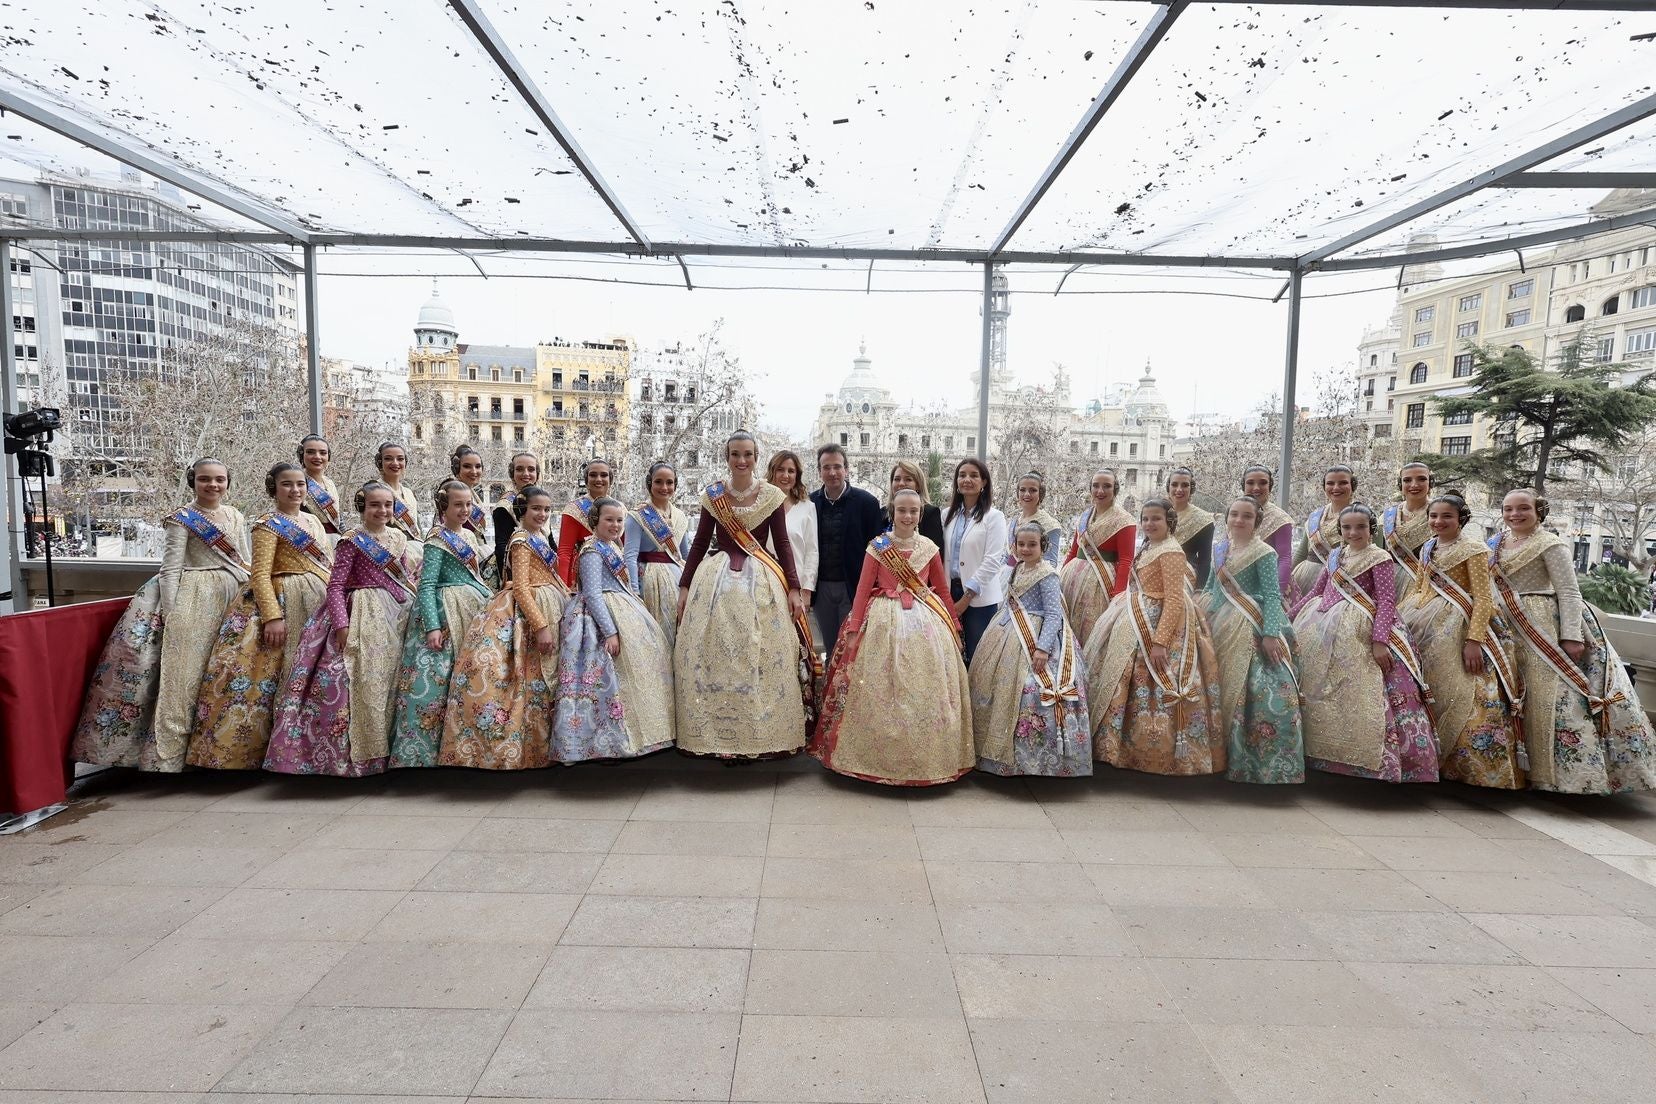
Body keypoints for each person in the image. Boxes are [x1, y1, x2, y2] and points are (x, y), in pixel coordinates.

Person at [73, 458, 249, 772]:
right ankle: (171, 755)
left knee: (225, 670)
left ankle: (215, 748)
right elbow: (170, 570)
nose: (213, 485)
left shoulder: (235, 515)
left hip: (231, 593)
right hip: (194, 596)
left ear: (228, 482)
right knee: (184, 674)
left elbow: (245, 562)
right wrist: (172, 611)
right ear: (193, 481)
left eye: (219, 479)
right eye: (205, 479)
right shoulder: (182, 518)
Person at [1491, 489, 1656, 794]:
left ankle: (1557, 777)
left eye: (1523, 508)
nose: (1515, 514)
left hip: (1543, 627)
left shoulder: (1551, 544)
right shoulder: (1497, 543)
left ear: (1539, 510)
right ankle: (1519, 769)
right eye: (1508, 508)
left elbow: (1569, 592)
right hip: (1505, 627)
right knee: (1513, 696)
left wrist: (1571, 635)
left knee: (1549, 697)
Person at [811, 488, 974, 785]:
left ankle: (925, 758)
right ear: (892, 512)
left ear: (920, 515)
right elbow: (862, 590)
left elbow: (941, 589)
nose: (908, 516)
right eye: (902, 510)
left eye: (913, 511)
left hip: (924, 623)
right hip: (881, 622)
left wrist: (954, 625)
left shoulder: (929, 548)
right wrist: (854, 627)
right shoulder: (878, 546)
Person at [675, 431, 813, 759]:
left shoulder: (771, 495)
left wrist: (793, 588)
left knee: (761, 653)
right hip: (715, 581)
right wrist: (684, 585)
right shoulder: (713, 496)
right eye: (735, 454)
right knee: (716, 654)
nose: (741, 460)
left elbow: (781, 544)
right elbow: (698, 543)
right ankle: (719, 737)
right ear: (727, 457)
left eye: (748, 454)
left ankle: (760, 735)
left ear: (756, 457)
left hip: (761, 580)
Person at [264, 481, 416, 777]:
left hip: (394, 614)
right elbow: (335, 585)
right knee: (358, 682)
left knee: (391, 681)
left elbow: (404, 577)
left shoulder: (398, 538)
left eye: (387, 505)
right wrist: (342, 625)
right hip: (359, 612)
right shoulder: (350, 540)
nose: (382, 510)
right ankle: (356, 759)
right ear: (362, 507)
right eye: (375, 504)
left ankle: (390, 752)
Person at [188, 462, 332, 769]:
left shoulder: (313, 522)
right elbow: (260, 574)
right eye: (287, 485)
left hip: (315, 601)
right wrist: (271, 616)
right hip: (281, 601)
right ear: (274, 488)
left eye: (300, 485)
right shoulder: (267, 523)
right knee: (264, 677)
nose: (295, 490)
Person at [1291, 504, 1438, 782]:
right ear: (1340, 530)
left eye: (1360, 527)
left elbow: (1386, 602)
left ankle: (1368, 761)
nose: (1353, 532)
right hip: (1320, 627)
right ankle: (1320, 753)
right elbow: (1317, 591)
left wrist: (1380, 640)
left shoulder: (1379, 557)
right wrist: (1289, 618)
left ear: (1371, 529)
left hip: (1362, 630)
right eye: (1347, 527)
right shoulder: (1335, 555)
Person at [1083, 497, 1223, 776]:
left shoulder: (1170, 551)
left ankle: (1159, 754)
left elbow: (1173, 600)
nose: (1149, 524)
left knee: (1151, 685)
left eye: (1156, 518)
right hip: (1137, 614)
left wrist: (1160, 641)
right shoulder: (1150, 546)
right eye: (1145, 519)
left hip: (1162, 626)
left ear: (1169, 521)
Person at [1403, 492, 1526, 789]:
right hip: (1426, 623)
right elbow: (1419, 588)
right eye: (1434, 516)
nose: (1438, 521)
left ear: (1461, 519)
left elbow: (1483, 597)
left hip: (1462, 626)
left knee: (1464, 690)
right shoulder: (1428, 547)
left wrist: (1474, 640)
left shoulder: (1474, 549)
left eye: (1446, 516)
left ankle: (1470, 768)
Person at [441, 485, 566, 770]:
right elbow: (521, 588)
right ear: (523, 509)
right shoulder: (521, 540)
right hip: (529, 614)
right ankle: (523, 750)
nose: (542, 514)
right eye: (536, 508)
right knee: (526, 680)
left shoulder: (540, 537)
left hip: (549, 603)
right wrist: (541, 626)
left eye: (547, 509)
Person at [553, 497, 677, 762]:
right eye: (609, 519)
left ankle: (645, 733)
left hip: (623, 608)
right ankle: (608, 741)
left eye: (619, 520)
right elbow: (593, 595)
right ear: (595, 521)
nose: (616, 525)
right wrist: (610, 631)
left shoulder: (612, 547)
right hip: (600, 619)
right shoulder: (593, 551)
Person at [971, 520, 1092, 777]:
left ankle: (1036, 761)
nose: (1025, 549)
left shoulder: (1047, 574)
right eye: (1021, 544)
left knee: (1029, 690)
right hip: (1007, 633)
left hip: (1037, 639)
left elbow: (1053, 613)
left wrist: (1043, 648)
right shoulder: (1017, 570)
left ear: (1043, 546)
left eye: (1032, 545)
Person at [388, 480, 493, 768]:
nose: (464, 509)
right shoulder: (436, 539)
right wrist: (433, 626)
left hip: (471, 608)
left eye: (468, 504)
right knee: (437, 680)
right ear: (443, 507)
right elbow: (427, 584)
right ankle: (427, 753)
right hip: (445, 611)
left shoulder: (470, 537)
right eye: (458, 505)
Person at [1204, 497, 1304, 784]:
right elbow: (1212, 589)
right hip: (1219, 623)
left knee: (1254, 691)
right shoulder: (1219, 549)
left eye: (1246, 516)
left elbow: (1273, 595)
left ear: (1257, 522)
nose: (1238, 520)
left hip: (1251, 625)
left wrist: (1271, 633)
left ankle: (1250, 765)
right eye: (1234, 514)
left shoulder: (1265, 552)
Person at [808, 444, 884, 654]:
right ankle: (832, 687)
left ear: (846, 469)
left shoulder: (867, 503)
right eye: (826, 467)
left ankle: (851, 688)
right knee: (831, 648)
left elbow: (877, 549)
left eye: (837, 466)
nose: (832, 472)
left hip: (854, 588)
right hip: (821, 588)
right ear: (819, 471)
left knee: (853, 648)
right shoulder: (810, 503)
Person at [943, 457, 1008, 664]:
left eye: (973, 475)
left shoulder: (994, 517)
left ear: (984, 482)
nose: (967, 480)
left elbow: (992, 560)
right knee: (951, 654)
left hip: (978, 598)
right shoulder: (946, 515)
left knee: (978, 656)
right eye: (962, 475)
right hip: (948, 591)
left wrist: (966, 597)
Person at [623, 461, 693, 653]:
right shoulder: (637, 516)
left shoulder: (680, 516)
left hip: (676, 581)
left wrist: (691, 583)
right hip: (648, 581)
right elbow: (630, 555)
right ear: (649, 484)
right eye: (658, 482)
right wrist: (634, 594)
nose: (664, 487)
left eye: (669, 482)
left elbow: (684, 555)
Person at [1060, 469, 1134, 644]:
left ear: (1115, 489)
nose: (1100, 491)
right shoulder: (1085, 517)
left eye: (1106, 486)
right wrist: (1060, 576)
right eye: (1096, 486)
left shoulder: (1125, 520)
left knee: (1091, 631)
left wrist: (1118, 594)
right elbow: (1073, 551)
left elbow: (1126, 560)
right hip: (1072, 581)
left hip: (1100, 585)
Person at [768, 451, 819, 648]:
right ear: (772, 472)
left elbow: (812, 551)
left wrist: (806, 590)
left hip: (794, 588)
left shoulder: (807, 507)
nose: (786, 475)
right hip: (766, 583)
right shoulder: (761, 504)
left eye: (791, 471)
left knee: (793, 646)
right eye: (780, 469)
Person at [1291, 464, 1360, 598]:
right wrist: (1287, 580)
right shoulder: (1315, 516)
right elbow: (1301, 553)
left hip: (1341, 582)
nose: (1336, 488)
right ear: (1324, 487)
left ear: (1353, 486)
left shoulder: (1362, 516)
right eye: (1330, 483)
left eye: (1343, 483)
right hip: (1304, 579)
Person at [1239, 465, 1297, 605]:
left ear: (1270, 486)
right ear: (1243, 485)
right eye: (1250, 483)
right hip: (1238, 582)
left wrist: (1275, 596)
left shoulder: (1280, 519)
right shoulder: (1236, 513)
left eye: (1263, 483)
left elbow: (1284, 559)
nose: (1256, 488)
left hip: (1270, 586)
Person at [555, 457, 614, 588]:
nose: (598, 479)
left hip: (613, 571)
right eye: (593, 475)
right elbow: (565, 551)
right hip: (583, 575)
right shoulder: (573, 509)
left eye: (604, 475)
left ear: (610, 480)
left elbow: (623, 547)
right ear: (586, 480)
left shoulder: (620, 509)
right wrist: (563, 587)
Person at [491, 451, 542, 583]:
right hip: (518, 573)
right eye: (519, 469)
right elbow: (502, 548)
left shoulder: (542, 501)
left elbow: (549, 539)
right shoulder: (504, 506)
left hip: (542, 569)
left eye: (531, 469)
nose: (526, 474)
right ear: (512, 474)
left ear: (537, 474)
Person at [1382, 461, 1433, 591]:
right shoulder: (1388, 516)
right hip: (1392, 583)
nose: (1414, 485)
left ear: (1431, 483)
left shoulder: (1443, 513)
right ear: (1400, 484)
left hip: (1431, 585)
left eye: (1421, 479)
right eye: (1407, 480)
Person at [1003, 470, 1063, 573]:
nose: (1027, 494)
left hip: (1032, 581)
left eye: (1032, 490)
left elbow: (1051, 563)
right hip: (1006, 578)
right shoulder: (1013, 522)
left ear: (1041, 493)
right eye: (1022, 490)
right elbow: (1006, 556)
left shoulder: (1050, 525)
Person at [1166, 467, 1216, 588]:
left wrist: (1199, 591)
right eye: (1174, 484)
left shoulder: (1203, 519)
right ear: (1168, 487)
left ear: (1191, 488)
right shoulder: (1157, 513)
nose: (1179, 489)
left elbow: (1205, 561)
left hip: (1185, 578)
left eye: (1185, 485)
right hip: (1155, 571)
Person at [374, 441, 425, 552]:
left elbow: (417, 527)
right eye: (388, 459)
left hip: (415, 552)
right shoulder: (373, 491)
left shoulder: (408, 493)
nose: (395, 463)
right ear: (379, 463)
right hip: (388, 553)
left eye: (400, 459)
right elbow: (371, 530)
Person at [884, 459, 946, 550]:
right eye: (897, 479)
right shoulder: (882, 513)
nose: (901, 483)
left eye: (908, 479)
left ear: (918, 485)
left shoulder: (930, 513)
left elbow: (936, 553)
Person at [296, 434, 342, 546]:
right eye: (311, 452)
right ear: (302, 455)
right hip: (309, 544)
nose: (317, 457)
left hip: (335, 543)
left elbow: (338, 519)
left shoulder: (330, 483)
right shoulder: (296, 483)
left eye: (323, 453)